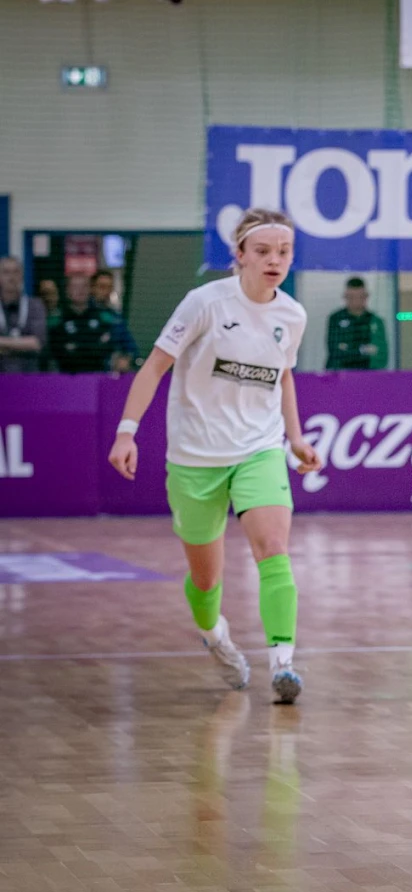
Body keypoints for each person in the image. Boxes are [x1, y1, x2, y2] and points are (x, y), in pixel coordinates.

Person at [107, 208, 323, 704]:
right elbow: (154, 367)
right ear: (240, 255)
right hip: (196, 457)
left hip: (259, 449)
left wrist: (294, 438)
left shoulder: (292, 315)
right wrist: (126, 432)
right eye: (263, 251)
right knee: (206, 579)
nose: (274, 260)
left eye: (284, 252)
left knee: (274, 549)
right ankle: (213, 634)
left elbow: (284, 376)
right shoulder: (203, 304)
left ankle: (283, 663)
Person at [50, 274, 134, 374]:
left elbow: (108, 348)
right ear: (67, 290)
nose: (80, 291)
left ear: (90, 289)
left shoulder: (105, 318)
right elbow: (56, 351)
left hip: (98, 375)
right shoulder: (57, 320)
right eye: (75, 287)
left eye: (84, 286)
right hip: (65, 376)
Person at [325, 277, 388, 370]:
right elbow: (335, 352)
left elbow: (381, 356)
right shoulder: (336, 319)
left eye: (359, 297)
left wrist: (349, 349)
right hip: (341, 374)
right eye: (351, 297)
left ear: (366, 297)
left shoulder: (375, 321)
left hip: (368, 374)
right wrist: (363, 350)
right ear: (345, 297)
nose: (355, 301)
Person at [0, 256, 47, 373]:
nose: (11, 277)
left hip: (28, 377)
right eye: (6, 272)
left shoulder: (35, 306)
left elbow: (37, 343)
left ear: (22, 276)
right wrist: (22, 344)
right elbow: (30, 344)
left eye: (15, 272)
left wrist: (3, 344)